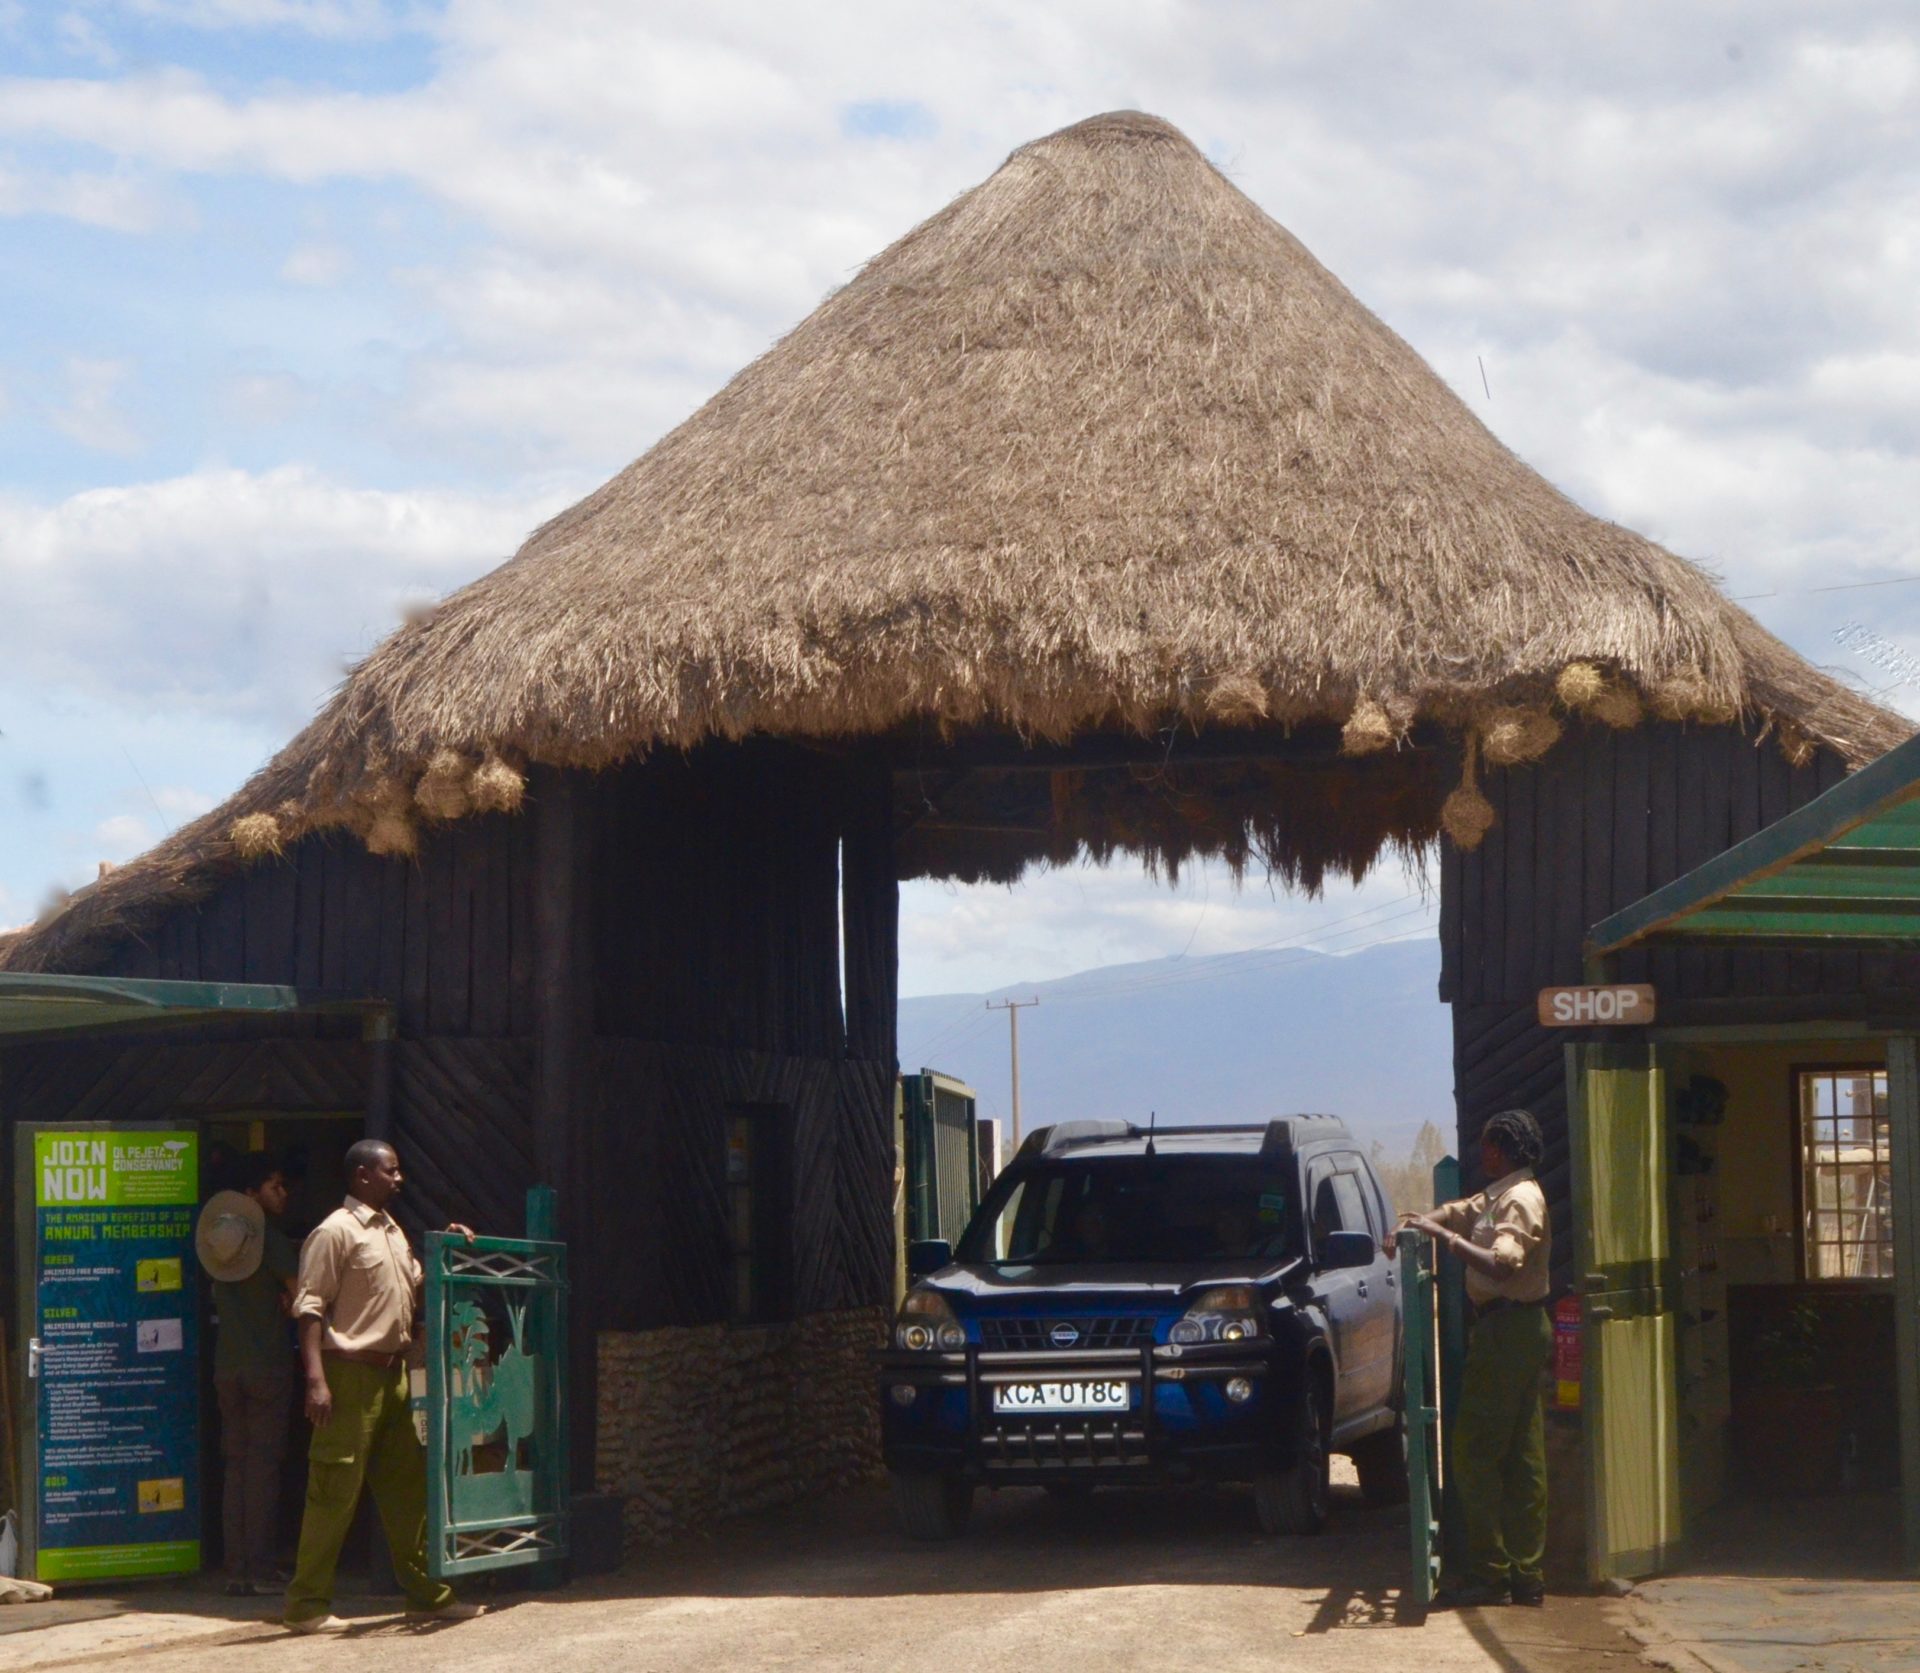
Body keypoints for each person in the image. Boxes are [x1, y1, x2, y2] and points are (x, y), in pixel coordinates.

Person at [281, 1140, 482, 1634]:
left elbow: (415, 1283)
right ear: (362, 1175)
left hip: (391, 1374)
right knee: (333, 1490)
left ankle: (428, 1596)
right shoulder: (335, 1231)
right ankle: (306, 1606)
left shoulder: (391, 1231)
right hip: (347, 1374)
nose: (400, 1179)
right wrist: (316, 1381)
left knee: (406, 1489)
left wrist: (446, 1245)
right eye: (391, 1170)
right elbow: (308, 1310)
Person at [1400, 1108, 1552, 1610]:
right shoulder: (1502, 1192)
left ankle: (1492, 1575)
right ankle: (1526, 1575)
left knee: (1474, 1455)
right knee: (1522, 1455)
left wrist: (1445, 1241)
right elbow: (1464, 1208)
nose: (1481, 1153)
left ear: (1507, 1147)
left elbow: (1503, 1265)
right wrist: (1426, 1221)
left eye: (1489, 1144)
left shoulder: (1520, 1200)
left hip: (1509, 1328)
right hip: (1516, 1329)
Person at [196, 1155, 299, 1597]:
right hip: (268, 1366)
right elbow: (302, 1299)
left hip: (227, 1367)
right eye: (276, 1185)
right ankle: (260, 1569)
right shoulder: (271, 1242)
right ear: (253, 1195)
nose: (285, 1194)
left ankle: (235, 1566)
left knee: (235, 1466)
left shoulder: (221, 1243)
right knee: (264, 1468)